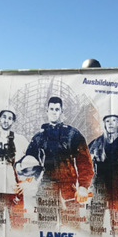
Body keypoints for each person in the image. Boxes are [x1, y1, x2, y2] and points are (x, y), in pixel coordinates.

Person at [24, 96, 94, 229]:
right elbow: (29, 162)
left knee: (71, 226)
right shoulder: (39, 136)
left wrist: (83, 186)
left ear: (62, 112)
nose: (54, 112)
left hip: (68, 187)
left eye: (57, 109)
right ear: (47, 111)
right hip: (46, 187)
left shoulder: (72, 134)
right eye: (51, 109)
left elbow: (84, 161)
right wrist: (25, 175)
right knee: (45, 226)